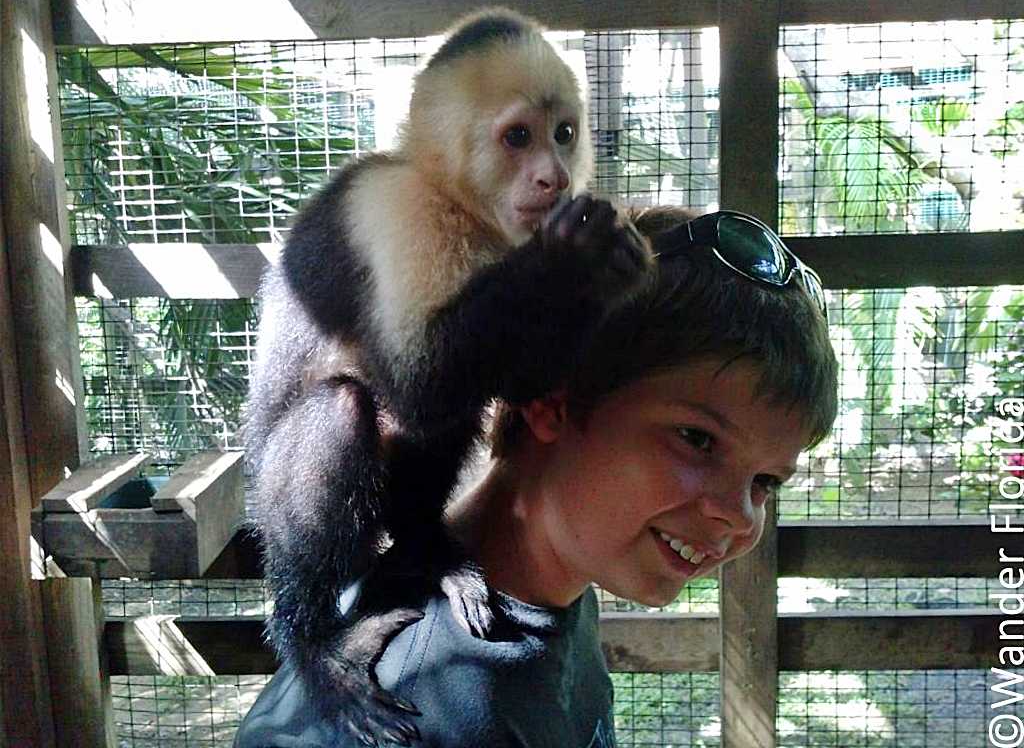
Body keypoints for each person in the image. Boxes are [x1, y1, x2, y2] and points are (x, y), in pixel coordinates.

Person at [234, 205, 839, 748]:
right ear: (550, 400)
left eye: (766, 482)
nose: (740, 515)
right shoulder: (421, 702)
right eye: (698, 440)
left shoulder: (565, 586)